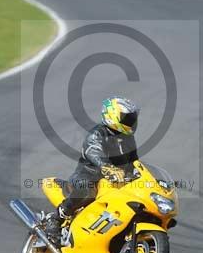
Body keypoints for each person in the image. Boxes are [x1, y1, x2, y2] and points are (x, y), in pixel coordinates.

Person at [45, 97, 139, 240]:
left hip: (114, 181)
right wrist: (107, 167)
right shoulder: (98, 133)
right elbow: (93, 151)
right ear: (112, 115)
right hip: (88, 175)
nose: (131, 122)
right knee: (86, 190)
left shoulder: (129, 140)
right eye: (127, 118)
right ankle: (56, 218)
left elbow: (134, 162)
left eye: (132, 118)